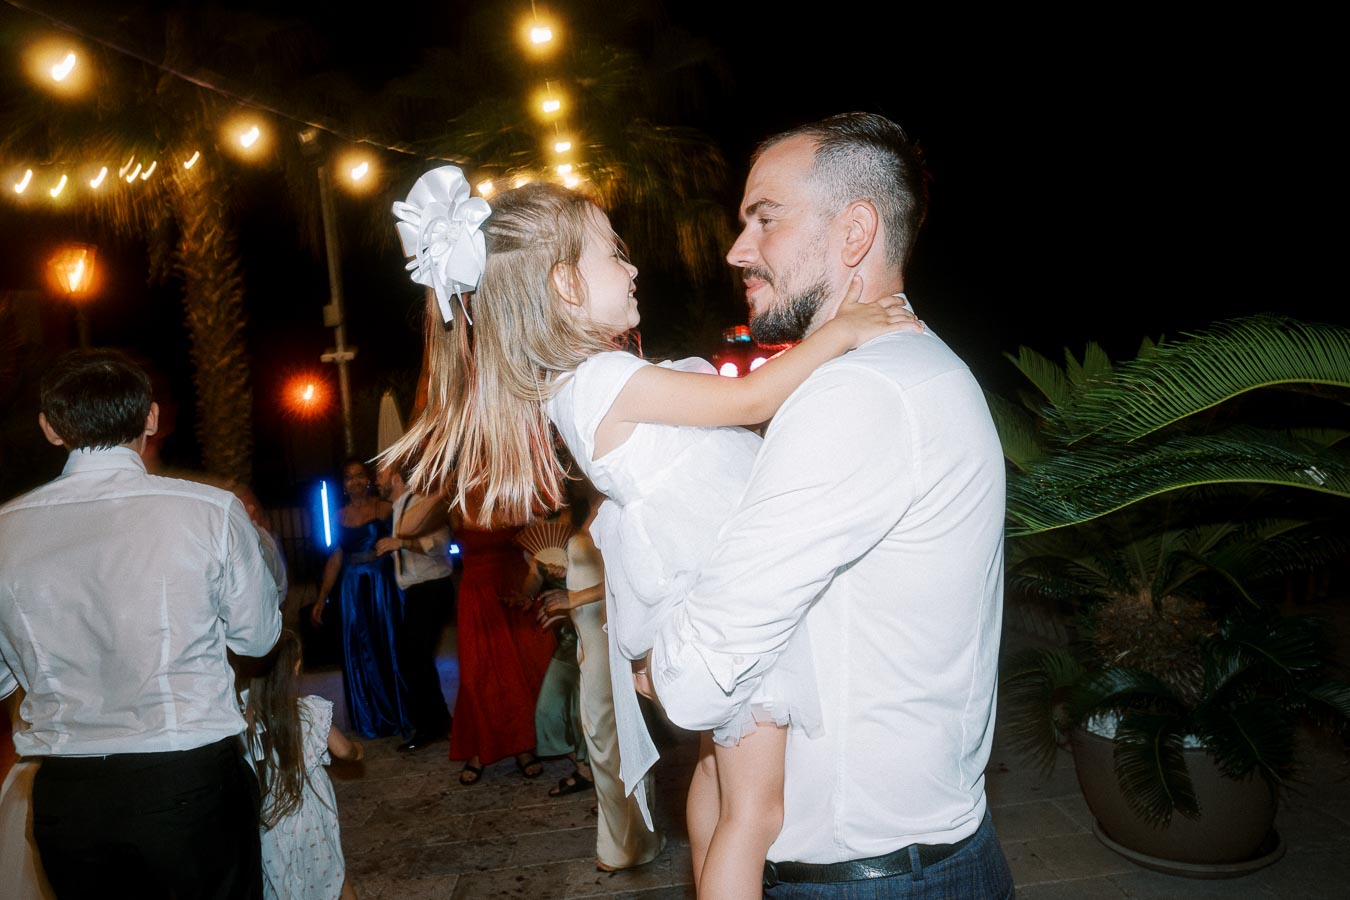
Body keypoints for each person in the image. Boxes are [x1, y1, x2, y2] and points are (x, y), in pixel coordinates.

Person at [383, 166, 919, 897]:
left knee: (716, 777)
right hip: (718, 596)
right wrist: (844, 331)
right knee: (757, 814)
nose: (632, 266)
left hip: (692, 587)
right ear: (566, 286)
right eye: (614, 252)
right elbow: (752, 398)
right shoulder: (602, 380)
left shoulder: (585, 381)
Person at [649, 112, 1013, 897]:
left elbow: (695, 684)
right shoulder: (921, 365)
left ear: (854, 233)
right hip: (929, 857)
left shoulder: (860, 396)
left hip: (866, 880)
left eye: (765, 220)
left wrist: (647, 644)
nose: (737, 250)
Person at [0, 348, 284, 898]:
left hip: (69, 793)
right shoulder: (209, 511)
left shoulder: (5, 531)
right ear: (150, 418)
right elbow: (259, 638)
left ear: (50, 430)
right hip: (188, 778)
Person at [535, 476, 663, 871]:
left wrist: (572, 597)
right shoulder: (580, 514)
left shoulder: (617, 511)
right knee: (601, 738)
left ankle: (625, 846)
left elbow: (628, 580)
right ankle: (633, 839)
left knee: (612, 740)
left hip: (611, 639)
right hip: (588, 637)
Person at [238, 629, 363, 900]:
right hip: (309, 813)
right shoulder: (307, 711)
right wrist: (357, 752)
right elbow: (343, 750)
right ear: (295, 667)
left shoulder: (242, 719)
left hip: (267, 818)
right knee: (335, 874)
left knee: (279, 883)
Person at [310, 459, 413, 739]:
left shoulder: (385, 508)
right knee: (359, 650)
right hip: (352, 585)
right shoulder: (339, 516)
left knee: (388, 645)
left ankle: (399, 713)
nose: (354, 481)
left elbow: (405, 543)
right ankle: (370, 718)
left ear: (367, 480)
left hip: (380, 582)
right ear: (343, 485)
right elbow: (336, 557)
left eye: (359, 476)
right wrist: (322, 599)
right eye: (348, 477)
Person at [374, 462, 454, 752]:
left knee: (415, 659)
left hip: (431, 588)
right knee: (416, 659)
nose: (377, 480)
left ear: (396, 478)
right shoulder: (397, 509)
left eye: (381, 475)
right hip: (418, 590)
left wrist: (402, 543)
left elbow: (440, 544)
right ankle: (437, 723)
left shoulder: (421, 504)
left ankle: (431, 726)